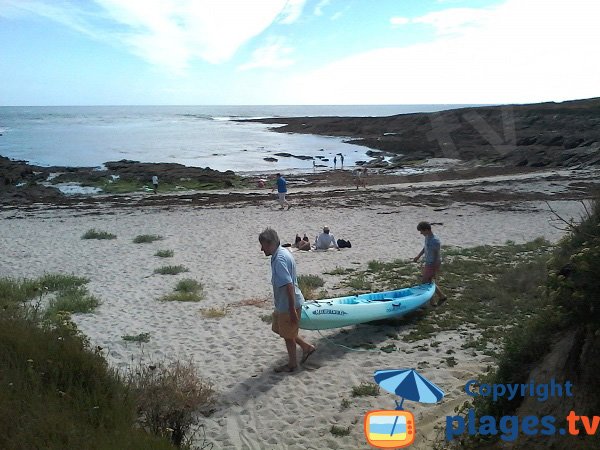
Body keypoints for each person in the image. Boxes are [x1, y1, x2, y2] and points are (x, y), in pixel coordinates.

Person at [259, 228, 316, 372]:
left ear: (270, 243)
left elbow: (288, 285)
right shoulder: (283, 252)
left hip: (288, 304)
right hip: (284, 303)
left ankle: (292, 363)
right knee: (281, 329)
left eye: (262, 245)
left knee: (287, 335)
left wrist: (291, 310)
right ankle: (306, 347)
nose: (261, 249)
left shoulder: (279, 259)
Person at [413, 221, 447, 306]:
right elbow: (425, 248)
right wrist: (418, 256)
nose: (421, 233)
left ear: (427, 230)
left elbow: (437, 256)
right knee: (429, 282)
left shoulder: (435, 241)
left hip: (432, 264)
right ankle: (441, 297)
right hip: (428, 263)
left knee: (425, 282)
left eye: (421, 231)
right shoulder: (427, 237)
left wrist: (435, 269)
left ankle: (433, 301)